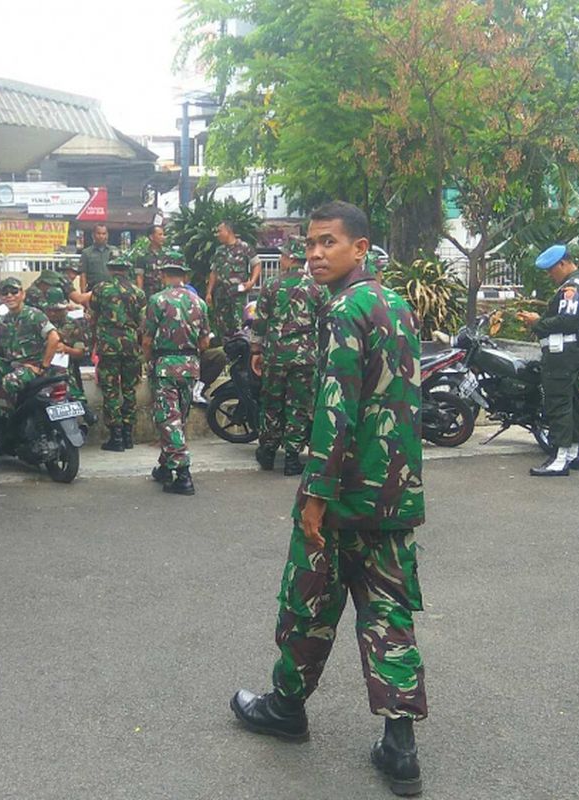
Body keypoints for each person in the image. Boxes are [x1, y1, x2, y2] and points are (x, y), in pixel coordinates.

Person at [230, 201, 427, 798]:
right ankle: (400, 745)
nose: (315, 254)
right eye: (310, 243)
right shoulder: (397, 304)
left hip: (341, 493)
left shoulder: (344, 307)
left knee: (309, 600)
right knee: (388, 610)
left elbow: (335, 406)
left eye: (328, 243)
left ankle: (287, 708)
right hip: (394, 490)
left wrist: (315, 495)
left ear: (360, 248)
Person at [0, 277, 61, 452]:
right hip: (10, 364)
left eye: (14, 292)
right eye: (5, 293)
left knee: (9, 382)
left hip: (31, 367)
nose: (10, 296)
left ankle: (2, 427)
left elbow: (54, 338)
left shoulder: (34, 315)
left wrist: (43, 366)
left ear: (22, 294)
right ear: (1, 297)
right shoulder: (2, 321)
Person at [253, 237, 326, 475]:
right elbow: (325, 322)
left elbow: (260, 322)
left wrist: (256, 351)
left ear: (290, 258)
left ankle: (268, 452)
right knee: (299, 405)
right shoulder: (317, 287)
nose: (282, 259)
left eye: (283, 255)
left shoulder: (271, 285)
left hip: (276, 356)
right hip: (306, 357)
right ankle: (293, 458)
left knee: (272, 403)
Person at [518, 244, 579, 477]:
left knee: (558, 404)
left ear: (563, 263)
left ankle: (559, 458)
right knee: (573, 404)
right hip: (572, 353)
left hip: (562, 355)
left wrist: (537, 322)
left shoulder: (571, 288)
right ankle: (571, 453)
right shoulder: (578, 283)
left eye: (551, 270)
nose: (550, 275)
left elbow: (567, 322)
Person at [142, 254, 210, 495]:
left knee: (168, 420)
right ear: (185, 276)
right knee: (177, 419)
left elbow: (147, 339)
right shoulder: (199, 303)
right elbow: (204, 343)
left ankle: (183, 476)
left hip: (165, 366)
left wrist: (149, 361)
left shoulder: (157, 300)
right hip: (190, 367)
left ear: (163, 275)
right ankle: (164, 467)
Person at [90, 255, 146, 451]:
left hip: (108, 345)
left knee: (111, 389)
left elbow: (94, 315)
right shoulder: (138, 292)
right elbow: (142, 321)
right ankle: (128, 435)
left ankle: (117, 437)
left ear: (110, 268)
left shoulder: (100, 289)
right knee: (130, 389)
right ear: (127, 269)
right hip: (130, 345)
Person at [206, 221, 261, 339]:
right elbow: (214, 272)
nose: (217, 234)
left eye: (219, 231)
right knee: (221, 328)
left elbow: (257, 264)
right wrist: (209, 292)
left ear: (228, 231)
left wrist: (252, 282)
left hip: (238, 296)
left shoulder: (244, 247)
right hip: (221, 296)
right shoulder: (219, 250)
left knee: (239, 327)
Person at [42, 286, 90, 407]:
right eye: (50, 310)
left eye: (57, 310)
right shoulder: (39, 323)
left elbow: (81, 352)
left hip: (67, 368)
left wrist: (66, 349)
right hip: (42, 367)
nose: (53, 313)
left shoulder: (74, 324)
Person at [133, 224, 168, 298]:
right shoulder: (142, 255)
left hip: (165, 294)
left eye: (163, 235)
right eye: (160, 235)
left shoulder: (168, 254)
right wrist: (141, 295)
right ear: (151, 237)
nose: (163, 237)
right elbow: (140, 277)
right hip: (149, 294)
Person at [78, 223, 116, 288]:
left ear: (107, 235)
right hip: (93, 290)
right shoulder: (86, 253)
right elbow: (83, 275)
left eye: (104, 234)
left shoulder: (114, 251)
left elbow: (120, 273)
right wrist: (83, 294)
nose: (101, 236)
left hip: (112, 290)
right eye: (98, 233)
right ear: (93, 235)